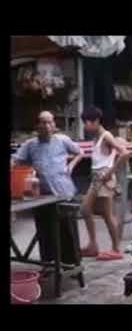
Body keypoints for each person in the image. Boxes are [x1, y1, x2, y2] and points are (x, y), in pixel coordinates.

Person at [11, 111, 84, 262]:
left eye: (50, 122)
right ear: (37, 125)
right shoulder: (30, 145)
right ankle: (49, 263)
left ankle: (72, 264)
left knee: (67, 231)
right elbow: (16, 161)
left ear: (54, 125)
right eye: (44, 122)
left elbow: (80, 152)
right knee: (45, 231)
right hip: (43, 196)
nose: (48, 126)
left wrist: (71, 165)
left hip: (64, 193)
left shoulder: (62, 140)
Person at [80, 107, 130, 260]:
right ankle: (94, 245)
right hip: (97, 178)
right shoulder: (97, 136)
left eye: (86, 123)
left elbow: (125, 153)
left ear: (95, 122)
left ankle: (115, 249)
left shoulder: (106, 136)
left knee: (98, 212)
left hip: (103, 179)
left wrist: (110, 171)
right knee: (90, 210)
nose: (85, 126)